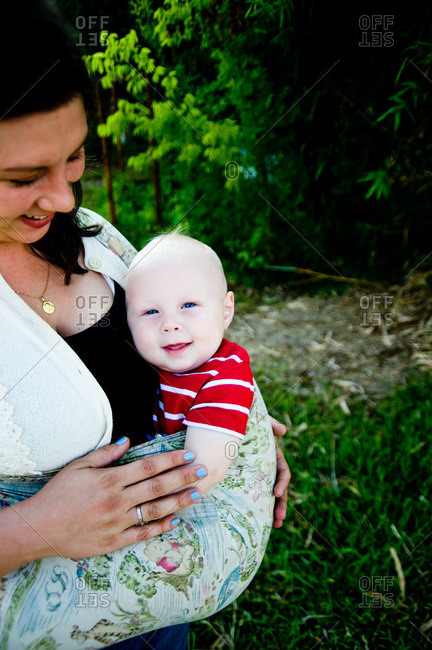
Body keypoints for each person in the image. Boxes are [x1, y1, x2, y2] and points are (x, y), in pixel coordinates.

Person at [0, 1, 290, 648]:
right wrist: (34, 531)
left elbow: (161, 352)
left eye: (75, 157)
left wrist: (229, 429)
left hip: (151, 616)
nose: (65, 197)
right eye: (23, 178)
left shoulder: (91, 238)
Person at [127, 232, 258, 496]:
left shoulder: (226, 375)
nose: (170, 324)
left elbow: (198, 472)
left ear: (225, 311)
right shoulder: (148, 366)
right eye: (151, 311)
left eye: (188, 305)